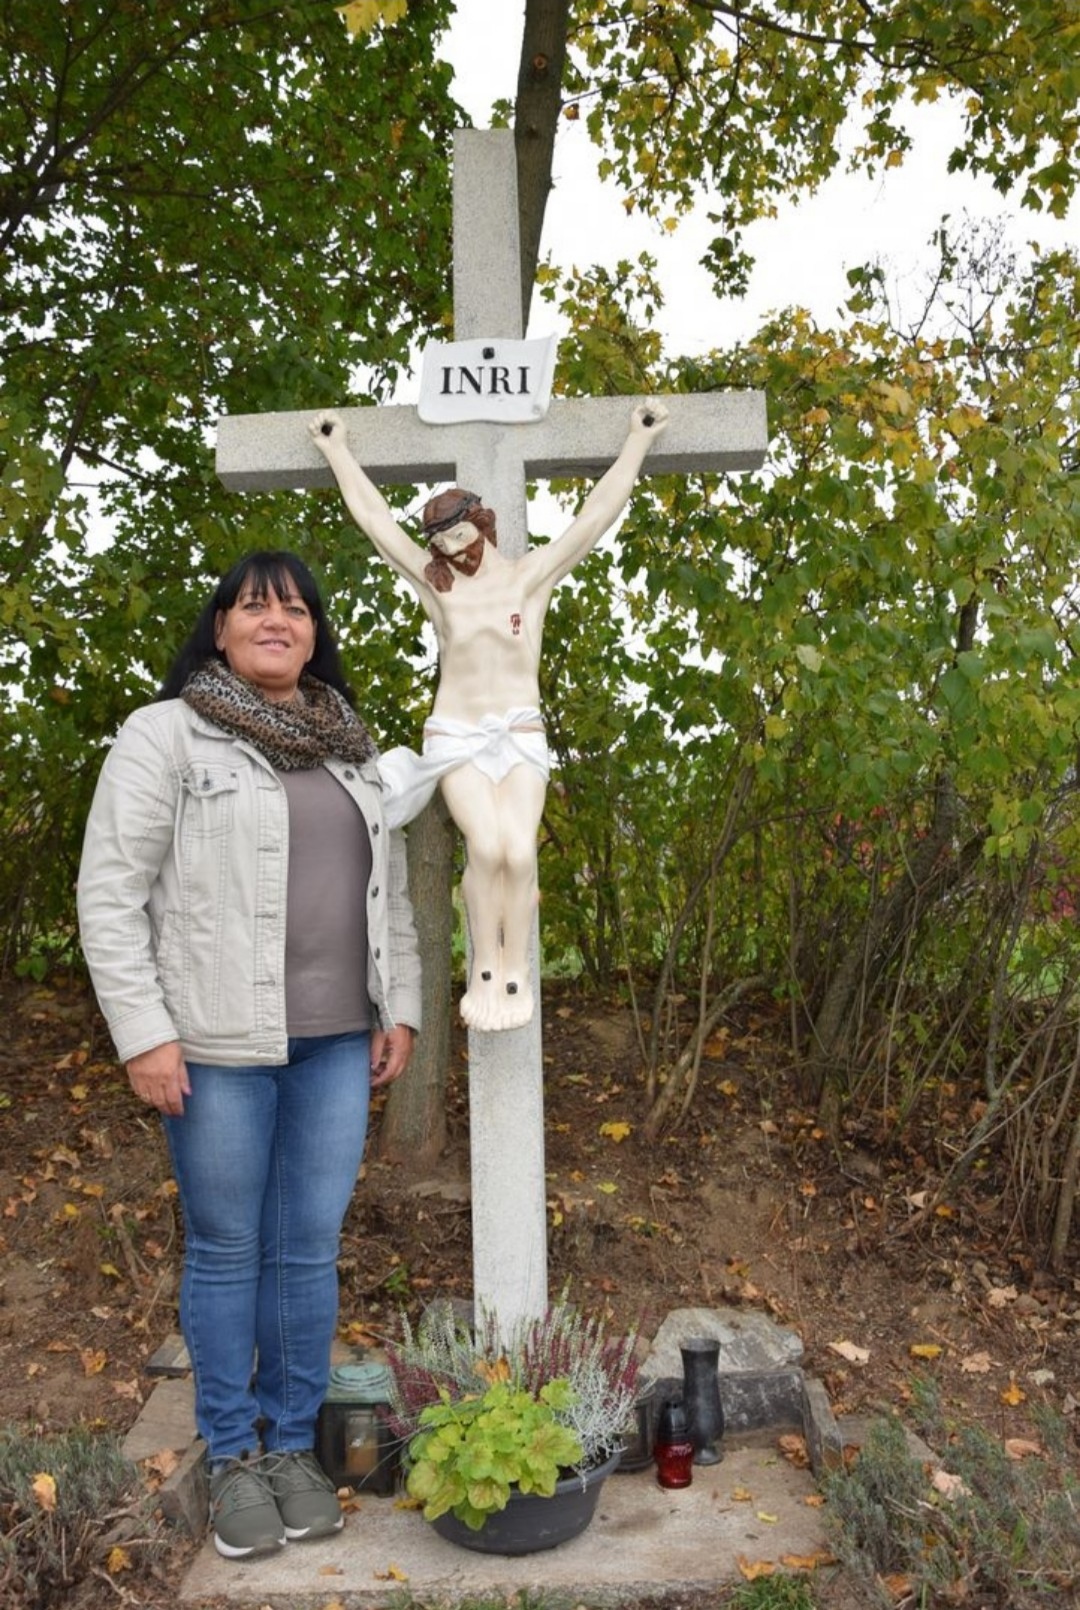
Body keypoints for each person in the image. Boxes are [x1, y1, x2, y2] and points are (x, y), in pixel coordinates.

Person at [76, 552, 421, 1561]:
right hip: (214, 1045)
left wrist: (397, 1004)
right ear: (220, 627)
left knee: (307, 1248)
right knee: (228, 1247)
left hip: (334, 1044)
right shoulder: (166, 735)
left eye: (297, 608)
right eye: (255, 605)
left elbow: (390, 895)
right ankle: (232, 1453)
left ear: (316, 633)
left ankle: (291, 1446)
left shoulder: (351, 749)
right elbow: (110, 891)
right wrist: (144, 1031)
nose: (278, 620)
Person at [309, 400, 669, 1032]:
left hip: (519, 731)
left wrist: (637, 442)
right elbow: (376, 522)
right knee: (486, 845)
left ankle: (515, 968)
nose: (454, 550)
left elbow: (593, 518)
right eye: (442, 543)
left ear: (481, 523)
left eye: (460, 535)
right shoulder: (437, 588)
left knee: (519, 854)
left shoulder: (529, 579)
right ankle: (484, 966)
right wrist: (337, 451)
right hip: (457, 735)